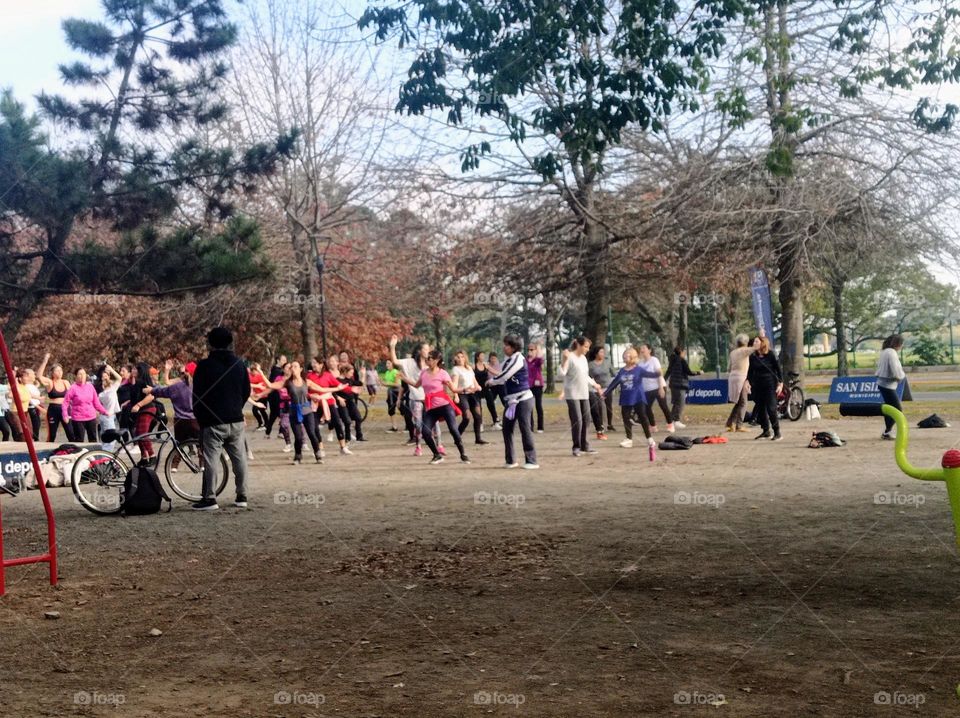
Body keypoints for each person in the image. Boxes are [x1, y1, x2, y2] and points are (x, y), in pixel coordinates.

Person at [191, 326, 251, 510]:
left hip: (213, 420)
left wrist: (201, 416)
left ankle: (209, 497)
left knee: (211, 460)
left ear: (210, 344)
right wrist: (236, 407)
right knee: (239, 458)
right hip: (235, 417)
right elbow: (246, 390)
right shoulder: (239, 364)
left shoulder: (204, 366)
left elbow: (198, 395)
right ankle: (242, 495)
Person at [402, 350, 470, 464]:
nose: (427, 360)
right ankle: (437, 455)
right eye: (427, 358)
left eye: (430, 358)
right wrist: (403, 378)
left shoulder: (443, 373)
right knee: (425, 432)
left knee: (453, 430)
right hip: (431, 409)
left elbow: (453, 389)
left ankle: (463, 454)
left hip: (445, 406)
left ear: (436, 360)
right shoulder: (424, 372)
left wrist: (465, 389)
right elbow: (416, 385)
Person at [486, 335, 538, 469]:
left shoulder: (519, 359)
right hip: (511, 401)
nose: (504, 347)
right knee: (507, 429)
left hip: (523, 399)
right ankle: (511, 460)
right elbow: (500, 372)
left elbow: (505, 376)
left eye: (507, 345)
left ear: (514, 347)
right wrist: (487, 369)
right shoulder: (508, 360)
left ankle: (531, 461)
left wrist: (491, 381)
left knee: (525, 428)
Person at [603, 347, 663, 449]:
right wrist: (605, 393)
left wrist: (658, 373)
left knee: (643, 417)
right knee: (626, 418)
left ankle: (649, 439)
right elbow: (615, 383)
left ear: (632, 357)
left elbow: (651, 374)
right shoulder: (622, 371)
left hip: (638, 397)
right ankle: (629, 439)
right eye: (624, 355)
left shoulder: (638, 369)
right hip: (626, 398)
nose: (624, 356)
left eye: (627, 354)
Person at [145, 360, 199, 470]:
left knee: (179, 444)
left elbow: (164, 390)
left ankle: (174, 466)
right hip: (195, 419)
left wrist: (152, 390)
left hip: (180, 420)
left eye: (182, 372)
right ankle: (203, 465)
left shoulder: (177, 386)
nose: (181, 374)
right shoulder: (200, 386)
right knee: (200, 444)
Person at [559, 336, 603, 456]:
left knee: (586, 419)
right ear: (578, 345)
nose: (588, 349)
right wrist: (564, 359)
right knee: (577, 420)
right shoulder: (570, 357)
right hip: (572, 394)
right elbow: (562, 373)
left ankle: (585, 445)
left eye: (588, 347)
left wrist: (595, 384)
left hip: (584, 393)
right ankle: (576, 447)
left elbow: (585, 375)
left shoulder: (583, 359)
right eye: (586, 347)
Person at [747, 336, 783, 441]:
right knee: (760, 409)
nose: (754, 343)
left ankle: (777, 432)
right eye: (754, 341)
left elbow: (778, 369)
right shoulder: (753, 356)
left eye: (756, 341)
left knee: (771, 409)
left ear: (763, 343)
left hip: (770, 385)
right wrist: (747, 381)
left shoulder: (771, 354)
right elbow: (750, 371)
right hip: (757, 385)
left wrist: (780, 383)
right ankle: (766, 431)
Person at [62, 367, 109, 442]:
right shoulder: (73, 388)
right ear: (76, 376)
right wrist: (65, 415)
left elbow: (96, 402)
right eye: (80, 374)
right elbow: (65, 403)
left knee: (93, 440)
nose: (82, 376)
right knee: (79, 440)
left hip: (91, 417)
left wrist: (104, 411)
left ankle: (93, 454)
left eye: (83, 374)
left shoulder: (90, 386)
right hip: (78, 418)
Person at [451, 349, 486, 445]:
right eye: (458, 357)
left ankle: (478, 438)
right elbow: (454, 385)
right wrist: (456, 395)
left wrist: (478, 387)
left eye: (462, 356)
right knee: (466, 417)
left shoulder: (469, 368)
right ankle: (457, 437)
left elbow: (474, 382)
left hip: (473, 394)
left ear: (465, 357)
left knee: (478, 416)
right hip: (462, 395)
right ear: (455, 358)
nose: (460, 359)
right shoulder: (455, 369)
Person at [725, 335, 758, 432]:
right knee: (743, 402)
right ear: (746, 342)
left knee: (738, 402)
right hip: (741, 378)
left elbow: (729, 367)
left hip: (732, 377)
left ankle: (730, 423)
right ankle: (739, 425)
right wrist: (761, 335)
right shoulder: (744, 351)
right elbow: (755, 348)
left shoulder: (733, 353)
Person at [637, 344, 673, 433]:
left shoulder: (654, 360)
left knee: (663, 406)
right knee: (647, 408)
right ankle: (653, 426)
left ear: (649, 350)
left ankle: (670, 424)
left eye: (644, 348)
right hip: (647, 389)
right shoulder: (640, 363)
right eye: (641, 348)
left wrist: (661, 387)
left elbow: (659, 373)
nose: (642, 350)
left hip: (658, 386)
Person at [877, 334, 907, 440]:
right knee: (897, 409)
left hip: (883, 383)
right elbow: (895, 368)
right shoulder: (892, 353)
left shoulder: (885, 351)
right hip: (887, 385)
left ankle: (887, 431)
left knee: (890, 408)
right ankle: (888, 432)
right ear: (898, 344)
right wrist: (901, 376)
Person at [37, 354, 71, 442]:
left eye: (61, 370)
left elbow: (72, 396)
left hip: (65, 409)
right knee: (52, 434)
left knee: (70, 432)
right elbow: (39, 376)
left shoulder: (66, 382)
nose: (59, 372)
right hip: (54, 409)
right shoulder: (50, 382)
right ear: (52, 373)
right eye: (57, 370)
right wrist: (45, 361)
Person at [128, 363, 158, 461]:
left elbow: (151, 396)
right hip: (141, 411)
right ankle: (144, 457)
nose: (133, 371)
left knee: (142, 433)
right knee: (138, 434)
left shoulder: (143, 382)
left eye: (135, 369)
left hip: (148, 409)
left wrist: (138, 405)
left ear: (141, 371)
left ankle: (152, 456)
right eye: (132, 369)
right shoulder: (135, 382)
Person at [665, 347, 701, 429]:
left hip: (673, 384)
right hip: (680, 384)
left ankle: (670, 421)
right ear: (681, 352)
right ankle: (676, 420)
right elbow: (689, 372)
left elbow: (668, 371)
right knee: (680, 403)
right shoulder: (682, 360)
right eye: (684, 351)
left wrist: (663, 380)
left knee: (675, 403)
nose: (684, 353)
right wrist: (698, 372)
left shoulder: (672, 361)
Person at [587, 345, 612, 441]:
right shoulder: (591, 364)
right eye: (601, 352)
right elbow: (588, 376)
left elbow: (613, 372)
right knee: (598, 407)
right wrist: (595, 386)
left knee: (608, 405)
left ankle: (609, 424)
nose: (602, 354)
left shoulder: (607, 362)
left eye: (603, 352)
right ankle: (600, 425)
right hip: (596, 388)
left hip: (607, 387)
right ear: (596, 354)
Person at [97, 364, 122, 450]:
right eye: (104, 375)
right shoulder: (104, 389)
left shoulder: (111, 387)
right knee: (110, 440)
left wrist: (111, 369)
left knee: (106, 439)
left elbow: (119, 378)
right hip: (107, 416)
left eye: (107, 375)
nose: (106, 376)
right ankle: (106, 459)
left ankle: (105, 459)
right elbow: (119, 378)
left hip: (109, 416)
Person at [264, 354, 287, 438]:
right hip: (275, 397)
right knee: (280, 414)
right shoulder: (277, 371)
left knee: (276, 415)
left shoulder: (277, 370)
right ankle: (279, 432)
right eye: (283, 360)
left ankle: (268, 433)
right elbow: (273, 385)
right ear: (278, 360)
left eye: (286, 360)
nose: (285, 362)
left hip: (277, 397)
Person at [526, 343, 545, 433]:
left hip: (538, 385)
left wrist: (539, 350)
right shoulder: (525, 360)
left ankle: (540, 427)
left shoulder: (537, 360)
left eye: (532, 349)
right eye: (528, 349)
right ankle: (530, 426)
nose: (530, 351)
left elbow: (541, 361)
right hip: (528, 386)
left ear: (536, 351)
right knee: (529, 407)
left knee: (538, 406)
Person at [473, 352, 494, 429]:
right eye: (482, 355)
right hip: (477, 389)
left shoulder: (486, 365)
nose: (483, 357)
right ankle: (480, 423)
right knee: (478, 407)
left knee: (491, 403)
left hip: (486, 388)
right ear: (478, 357)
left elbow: (495, 372)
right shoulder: (473, 366)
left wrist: (505, 375)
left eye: (484, 355)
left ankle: (496, 421)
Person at [382, 359, 402, 432]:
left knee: (402, 409)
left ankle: (409, 426)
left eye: (388, 363)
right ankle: (394, 427)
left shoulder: (395, 372)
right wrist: (382, 382)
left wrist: (385, 384)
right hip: (390, 393)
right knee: (391, 410)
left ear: (393, 364)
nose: (387, 365)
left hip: (397, 392)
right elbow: (386, 382)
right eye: (386, 363)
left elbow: (397, 384)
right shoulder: (387, 372)